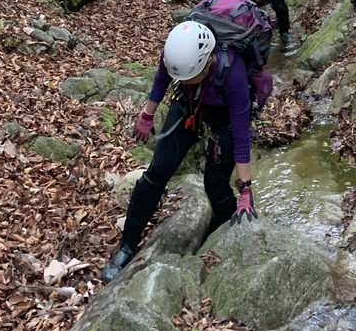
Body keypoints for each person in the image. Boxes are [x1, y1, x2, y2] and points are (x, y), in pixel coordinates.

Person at [100, 18, 257, 283]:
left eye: (188, 75)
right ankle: (127, 246)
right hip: (189, 103)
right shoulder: (176, 54)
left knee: (215, 185)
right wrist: (147, 114)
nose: (182, 78)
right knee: (157, 172)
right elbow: (163, 78)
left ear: (208, 62)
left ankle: (223, 240)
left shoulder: (234, 74)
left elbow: (241, 133)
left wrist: (245, 188)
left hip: (224, 116)